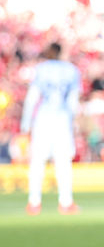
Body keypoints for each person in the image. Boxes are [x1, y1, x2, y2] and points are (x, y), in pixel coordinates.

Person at [21, 42, 82, 215]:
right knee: (63, 162)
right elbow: (73, 100)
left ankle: (34, 202)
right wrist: (73, 121)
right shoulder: (71, 70)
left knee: (37, 161)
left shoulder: (41, 69)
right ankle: (65, 202)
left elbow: (32, 98)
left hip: (43, 118)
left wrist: (26, 123)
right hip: (62, 119)